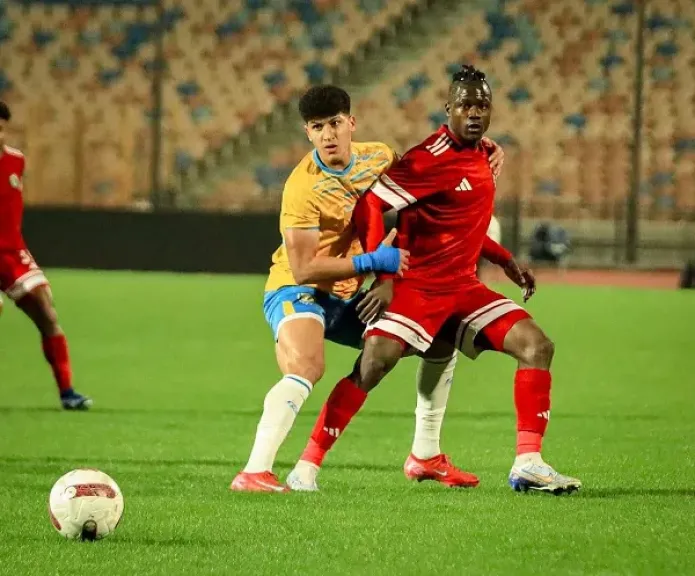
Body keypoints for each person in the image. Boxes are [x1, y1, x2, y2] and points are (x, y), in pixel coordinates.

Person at [288, 66, 582, 495]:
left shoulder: (484, 155)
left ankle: (528, 463)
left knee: (537, 346)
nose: (474, 113)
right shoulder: (429, 158)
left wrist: (506, 261)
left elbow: (463, 225)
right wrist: (384, 275)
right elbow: (370, 205)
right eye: (465, 105)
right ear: (449, 109)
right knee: (374, 363)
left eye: (481, 105)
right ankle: (306, 466)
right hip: (417, 285)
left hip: (462, 287)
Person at [230, 85, 507, 492]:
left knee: (439, 338)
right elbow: (304, 269)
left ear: (351, 123)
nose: (328, 135)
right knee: (307, 367)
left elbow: (428, 170)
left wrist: (479, 148)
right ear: (307, 133)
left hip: (349, 297)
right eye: (317, 127)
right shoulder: (302, 188)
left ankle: (426, 454)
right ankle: (255, 471)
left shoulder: (378, 157)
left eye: (335, 123)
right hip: (297, 291)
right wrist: (372, 263)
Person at [0, 101, 92, 410]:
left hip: (13, 252)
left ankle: (68, 392)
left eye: (0, 129)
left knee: (46, 312)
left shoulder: (16, 161)